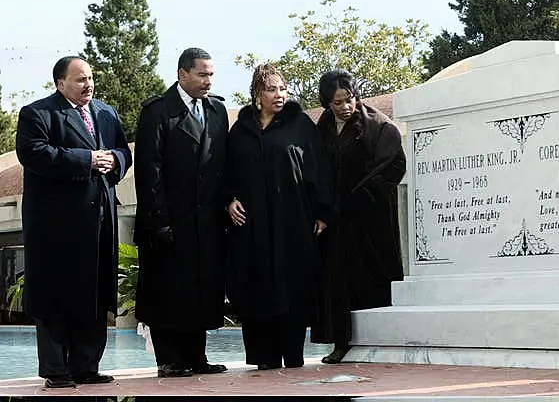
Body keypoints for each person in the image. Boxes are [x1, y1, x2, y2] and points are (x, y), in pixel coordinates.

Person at [15, 56, 132, 388]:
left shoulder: (106, 112)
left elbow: (124, 150)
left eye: (91, 78)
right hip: (56, 225)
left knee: (93, 295)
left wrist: (116, 159)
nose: (89, 85)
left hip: (99, 220)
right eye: (80, 80)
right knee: (55, 297)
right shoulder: (38, 113)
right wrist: (87, 159)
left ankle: (86, 366)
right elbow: (34, 154)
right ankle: (56, 371)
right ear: (60, 83)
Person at [226, 64, 332, 370]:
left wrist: (323, 212)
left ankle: (293, 355)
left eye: (282, 88)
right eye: (271, 89)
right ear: (257, 94)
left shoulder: (300, 125)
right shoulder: (241, 130)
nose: (279, 94)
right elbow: (226, 171)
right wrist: (228, 200)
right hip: (251, 228)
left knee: (293, 286)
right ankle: (263, 358)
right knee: (255, 287)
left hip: (292, 225)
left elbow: (320, 168)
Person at [133, 47, 229, 378]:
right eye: (202, 74)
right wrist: (158, 222)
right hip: (168, 220)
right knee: (168, 290)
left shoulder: (217, 110)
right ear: (182, 74)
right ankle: (169, 360)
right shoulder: (158, 112)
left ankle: (196, 357)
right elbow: (149, 172)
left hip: (206, 221)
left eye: (211, 75)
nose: (208, 81)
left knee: (199, 288)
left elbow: (222, 165)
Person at [310, 68, 406, 364]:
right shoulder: (322, 128)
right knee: (336, 282)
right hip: (335, 219)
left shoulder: (377, 127)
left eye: (349, 99)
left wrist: (361, 198)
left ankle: (382, 341)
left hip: (369, 218)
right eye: (337, 102)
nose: (345, 107)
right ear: (327, 103)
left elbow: (393, 166)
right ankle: (341, 343)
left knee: (372, 277)